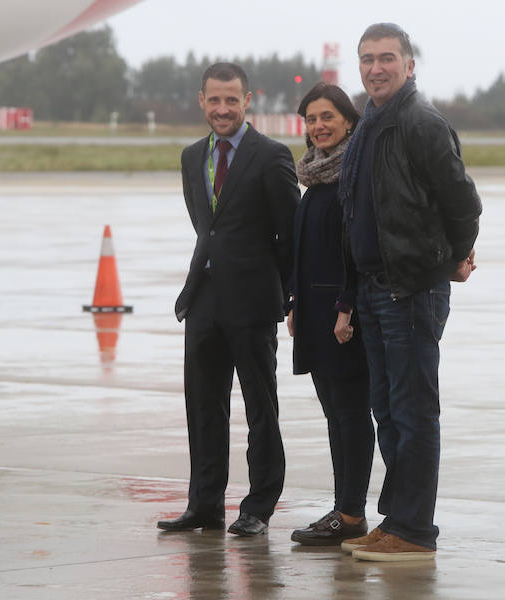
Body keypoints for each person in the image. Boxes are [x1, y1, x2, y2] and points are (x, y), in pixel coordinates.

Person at [337, 23, 482, 561]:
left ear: (410, 65)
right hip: (376, 291)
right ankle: (398, 519)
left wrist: (451, 261)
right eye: (368, 59)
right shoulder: (371, 125)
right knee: (388, 411)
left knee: (414, 410)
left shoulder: (421, 124)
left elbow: (464, 204)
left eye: (387, 58)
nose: (376, 68)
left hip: (411, 291)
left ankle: (415, 530)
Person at [158, 62, 300, 537]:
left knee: (261, 408)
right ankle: (204, 505)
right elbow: (207, 227)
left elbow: (290, 236)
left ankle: (258, 506)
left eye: (231, 100)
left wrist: (284, 293)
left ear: (248, 101)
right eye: (214, 100)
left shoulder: (271, 155)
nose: (222, 109)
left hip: (254, 302)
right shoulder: (191, 156)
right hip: (204, 300)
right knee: (202, 406)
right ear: (202, 101)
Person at [286, 82, 375, 546]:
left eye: (327, 117)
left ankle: (352, 513)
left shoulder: (353, 177)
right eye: (311, 119)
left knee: (351, 415)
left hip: (344, 319)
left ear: (348, 121)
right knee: (335, 416)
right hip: (316, 314)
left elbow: (355, 252)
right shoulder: (317, 177)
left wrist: (346, 306)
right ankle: (343, 508)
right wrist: (296, 303)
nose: (318, 126)